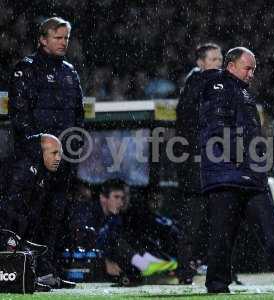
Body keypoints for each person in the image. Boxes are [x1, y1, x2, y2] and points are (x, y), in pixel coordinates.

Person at [199, 47, 274, 293]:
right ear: (231, 65)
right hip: (226, 174)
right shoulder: (218, 86)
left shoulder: (243, 92)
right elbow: (218, 129)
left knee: (270, 226)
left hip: (249, 175)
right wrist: (243, 156)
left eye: (254, 68)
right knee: (223, 234)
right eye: (248, 68)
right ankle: (217, 285)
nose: (252, 73)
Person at [8, 16, 84, 275]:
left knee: (57, 215)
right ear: (42, 39)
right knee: (30, 217)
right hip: (32, 161)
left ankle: (50, 270)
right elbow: (19, 117)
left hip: (62, 160)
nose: (64, 43)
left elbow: (78, 116)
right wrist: (37, 150)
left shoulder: (69, 72)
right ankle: (26, 270)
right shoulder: (26, 69)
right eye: (58, 37)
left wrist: (71, 151)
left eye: (66, 38)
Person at [0, 134, 75, 289]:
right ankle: (21, 276)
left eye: (60, 153)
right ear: (41, 152)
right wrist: (14, 237)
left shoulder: (39, 171)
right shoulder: (24, 169)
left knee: (46, 222)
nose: (58, 158)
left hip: (15, 223)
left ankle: (37, 273)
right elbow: (9, 208)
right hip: (7, 225)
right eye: (54, 153)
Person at [175, 43, 222, 284]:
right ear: (201, 63)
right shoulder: (196, 86)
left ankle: (204, 269)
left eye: (219, 58)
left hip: (208, 164)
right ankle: (185, 270)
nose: (218, 63)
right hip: (198, 166)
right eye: (213, 59)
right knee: (194, 221)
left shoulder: (210, 85)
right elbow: (191, 127)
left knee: (212, 220)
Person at [72, 180, 177, 284]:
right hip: (83, 262)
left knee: (130, 237)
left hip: (103, 260)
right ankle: (144, 265)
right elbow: (82, 245)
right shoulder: (88, 214)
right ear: (103, 198)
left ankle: (152, 261)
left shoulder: (114, 218)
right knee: (118, 240)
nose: (120, 202)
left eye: (122, 198)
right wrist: (104, 261)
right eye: (116, 197)